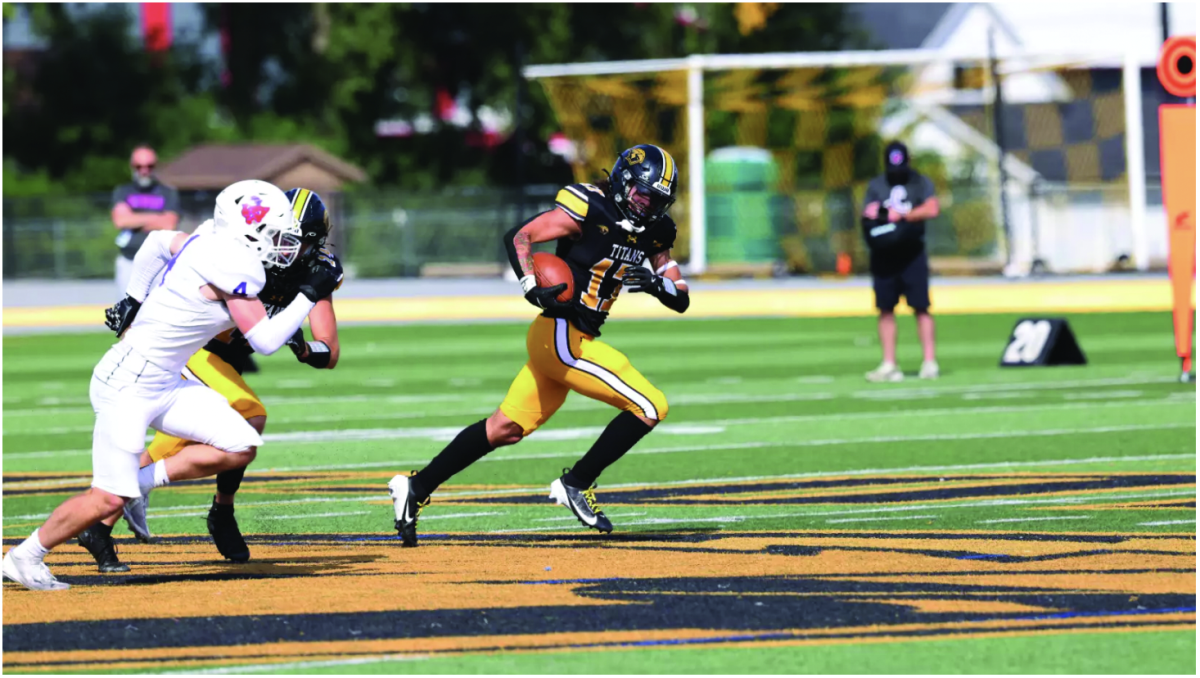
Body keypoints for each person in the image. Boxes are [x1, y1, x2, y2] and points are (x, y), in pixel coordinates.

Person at [1, 180, 341, 591]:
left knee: (241, 443)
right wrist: (309, 293)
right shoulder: (237, 265)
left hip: (162, 379)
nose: (282, 245)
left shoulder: (212, 240)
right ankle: (24, 556)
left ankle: (138, 486)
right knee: (106, 498)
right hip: (128, 384)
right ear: (249, 232)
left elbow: (158, 240)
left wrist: (133, 298)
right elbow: (266, 341)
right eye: (274, 234)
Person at [387, 144, 690, 545]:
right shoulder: (589, 207)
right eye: (642, 194)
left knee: (504, 428)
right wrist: (531, 285)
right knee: (651, 405)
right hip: (561, 332)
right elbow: (521, 236)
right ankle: (576, 483)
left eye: (657, 200)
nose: (647, 205)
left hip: (570, 338)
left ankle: (416, 487)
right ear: (621, 181)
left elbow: (681, 295)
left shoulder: (656, 230)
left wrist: (658, 285)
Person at [861, 140, 940, 382]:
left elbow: (932, 208)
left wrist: (903, 215)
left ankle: (929, 361)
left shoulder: (920, 182)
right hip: (885, 255)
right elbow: (869, 213)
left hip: (912, 254)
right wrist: (883, 214)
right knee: (885, 309)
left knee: (921, 308)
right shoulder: (876, 185)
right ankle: (889, 363)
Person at [111, 146, 180, 298]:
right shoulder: (122, 191)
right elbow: (121, 221)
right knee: (128, 314)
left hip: (160, 264)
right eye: (139, 166)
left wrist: (134, 218)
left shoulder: (168, 192)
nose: (144, 170)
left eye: (149, 166)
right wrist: (156, 218)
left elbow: (169, 224)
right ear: (132, 167)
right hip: (129, 260)